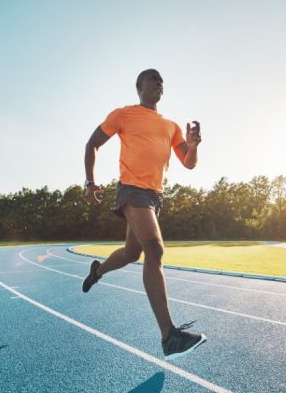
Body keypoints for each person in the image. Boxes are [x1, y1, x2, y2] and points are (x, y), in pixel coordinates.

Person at [81, 68, 206, 360]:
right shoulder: (123, 114)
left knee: (130, 253)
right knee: (155, 249)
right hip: (131, 189)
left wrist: (194, 146)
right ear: (139, 86)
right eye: (153, 79)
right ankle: (169, 336)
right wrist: (89, 180)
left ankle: (97, 271)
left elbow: (188, 163)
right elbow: (93, 144)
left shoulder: (172, 126)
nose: (159, 83)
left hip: (154, 196)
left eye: (161, 81)